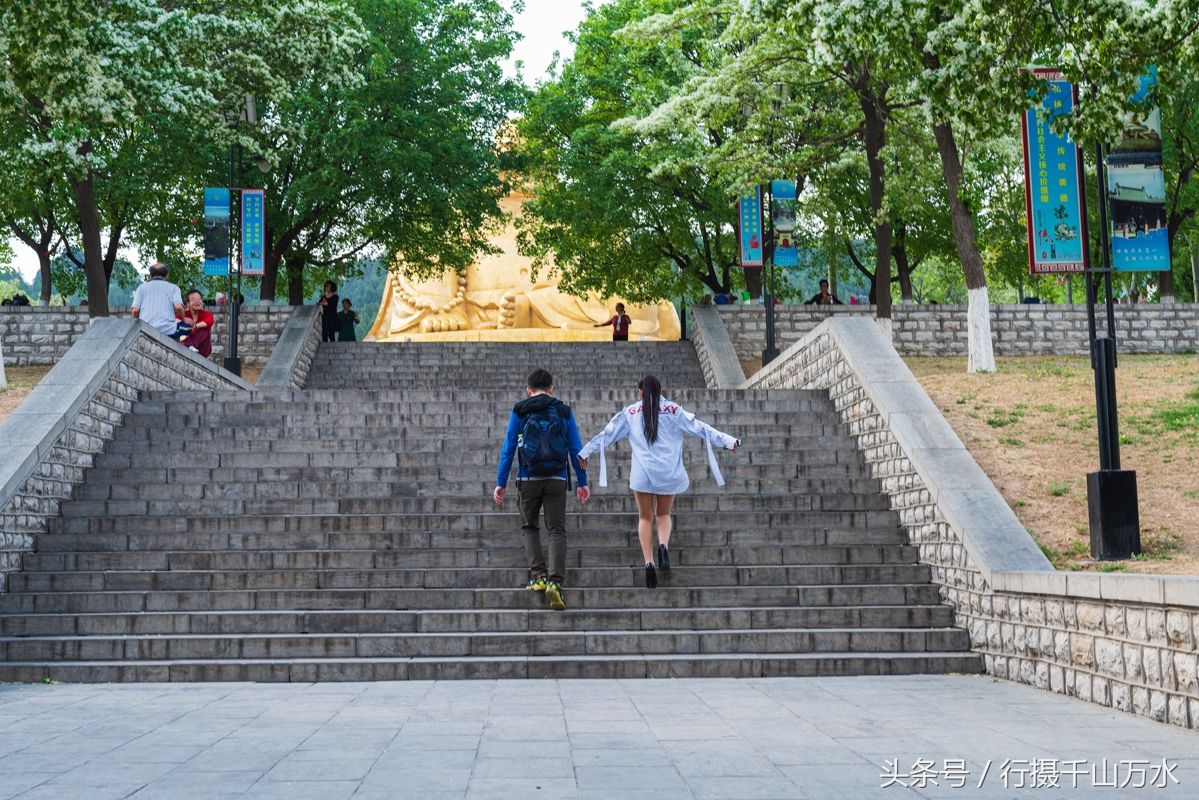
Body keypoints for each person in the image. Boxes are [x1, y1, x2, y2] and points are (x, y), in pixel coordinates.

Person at [577, 374, 739, 589]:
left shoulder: (630, 412)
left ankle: (649, 562)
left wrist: (586, 452)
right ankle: (663, 545)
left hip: (642, 473)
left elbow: (608, 434)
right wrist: (728, 441)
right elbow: (701, 428)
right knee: (663, 514)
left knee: (645, 518)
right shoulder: (674, 410)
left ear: (640, 392)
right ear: (661, 391)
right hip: (668, 471)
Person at [493, 368, 590, 611]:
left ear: (528, 391)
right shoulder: (563, 410)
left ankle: (539, 577)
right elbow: (576, 448)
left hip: (528, 478)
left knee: (529, 526)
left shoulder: (520, 410)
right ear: (551, 390)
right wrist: (583, 481)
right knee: (556, 530)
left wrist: (501, 482)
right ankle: (556, 584)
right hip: (557, 478)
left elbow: (508, 448)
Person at [130, 263, 183, 336]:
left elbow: (135, 311)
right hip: (168, 330)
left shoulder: (141, 288)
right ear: (167, 275)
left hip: (145, 329)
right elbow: (179, 307)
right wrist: (184, 320)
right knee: (187, 328)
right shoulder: (174, 288)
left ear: (150, 275)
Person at [176, 289, 214, 357]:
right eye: (193, 299)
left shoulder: (206, 314)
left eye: (199, 299)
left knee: (205, 329)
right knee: (182, 328)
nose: (197, 302)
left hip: (203, 349)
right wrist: (185, 322)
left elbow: (210, 321)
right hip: (187, 343)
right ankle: (190, 346)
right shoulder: (184, 314)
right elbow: (174, 321)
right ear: (188, 303)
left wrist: (195, 326)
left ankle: (191, 345)